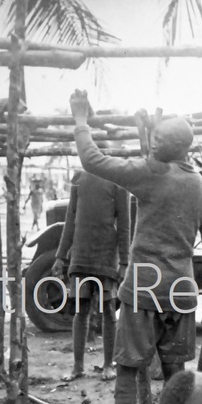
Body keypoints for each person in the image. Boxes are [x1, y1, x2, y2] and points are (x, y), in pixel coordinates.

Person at [69, 89, 202, 404]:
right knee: (175, 375)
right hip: (183, 293)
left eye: (157, 144)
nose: (151, 149)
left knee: (127, 369)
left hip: (142, 290)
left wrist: (81, 120)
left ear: (174, 147)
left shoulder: (150, 174)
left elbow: (92, 159)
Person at [52, 157, 131, 382]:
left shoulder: (118, 181)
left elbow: (125, 224)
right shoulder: (80, 178)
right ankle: (78, 367)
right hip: (82, 253)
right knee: (81, 310)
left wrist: (124, 261)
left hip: (106, 254)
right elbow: (70, 219)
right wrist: (60, 255)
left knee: (108, 310)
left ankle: (108, 365)